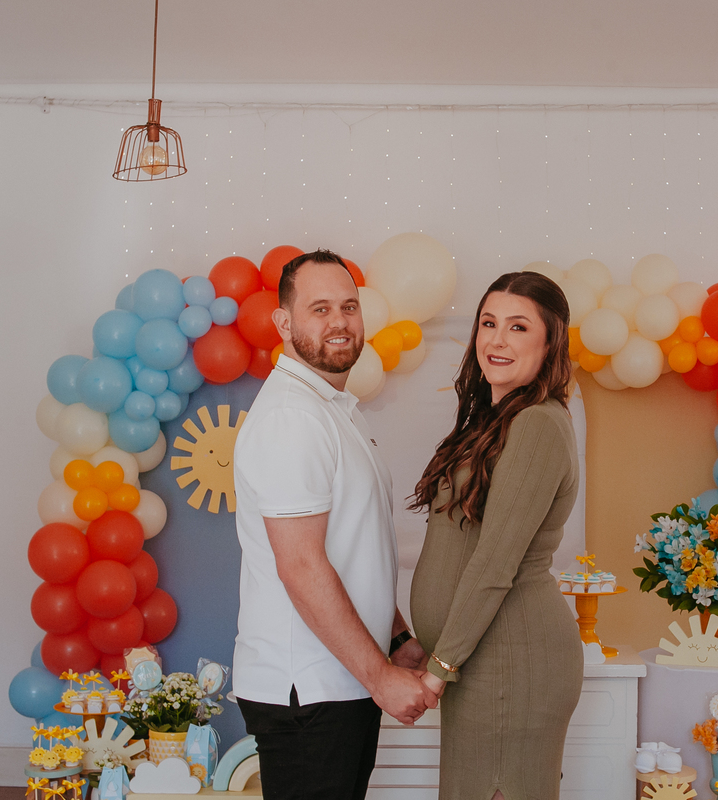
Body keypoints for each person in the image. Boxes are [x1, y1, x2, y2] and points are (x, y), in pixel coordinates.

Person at [233, 249, 439, 800]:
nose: (339, 321)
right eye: (319, 308)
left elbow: (354, 546)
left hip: (341, 680)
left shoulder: (333, 409)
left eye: (348, 306)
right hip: (309, 689)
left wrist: (396, 638)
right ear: (283, 322)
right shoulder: (291, 418)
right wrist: (379, 677)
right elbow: (300, 565)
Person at [409, 271, 583, 800]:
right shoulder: (497, 419)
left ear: (549, 342)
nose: (497, 339)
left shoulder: (535, 425)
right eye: (488, 323)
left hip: (510, 661)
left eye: (517, 326)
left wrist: (440, 669)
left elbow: (495, 563)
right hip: (481, 657)